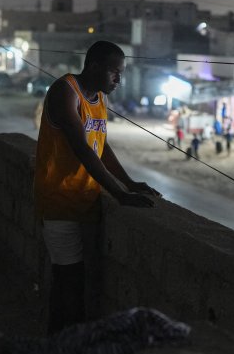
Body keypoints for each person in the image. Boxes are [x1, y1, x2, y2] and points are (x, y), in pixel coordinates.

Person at [33, 41, 159, 335]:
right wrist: (119, 194)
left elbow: (99, 145)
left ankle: (56, 344)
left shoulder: (98, 97)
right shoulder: (66, 92)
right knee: (71, 285)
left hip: (84, 200)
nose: (119, 80)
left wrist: (128, 182)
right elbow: (83, 150)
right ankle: (69, 350)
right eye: (115, 72)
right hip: (60, 202)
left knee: (69, 283)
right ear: (94, 67)